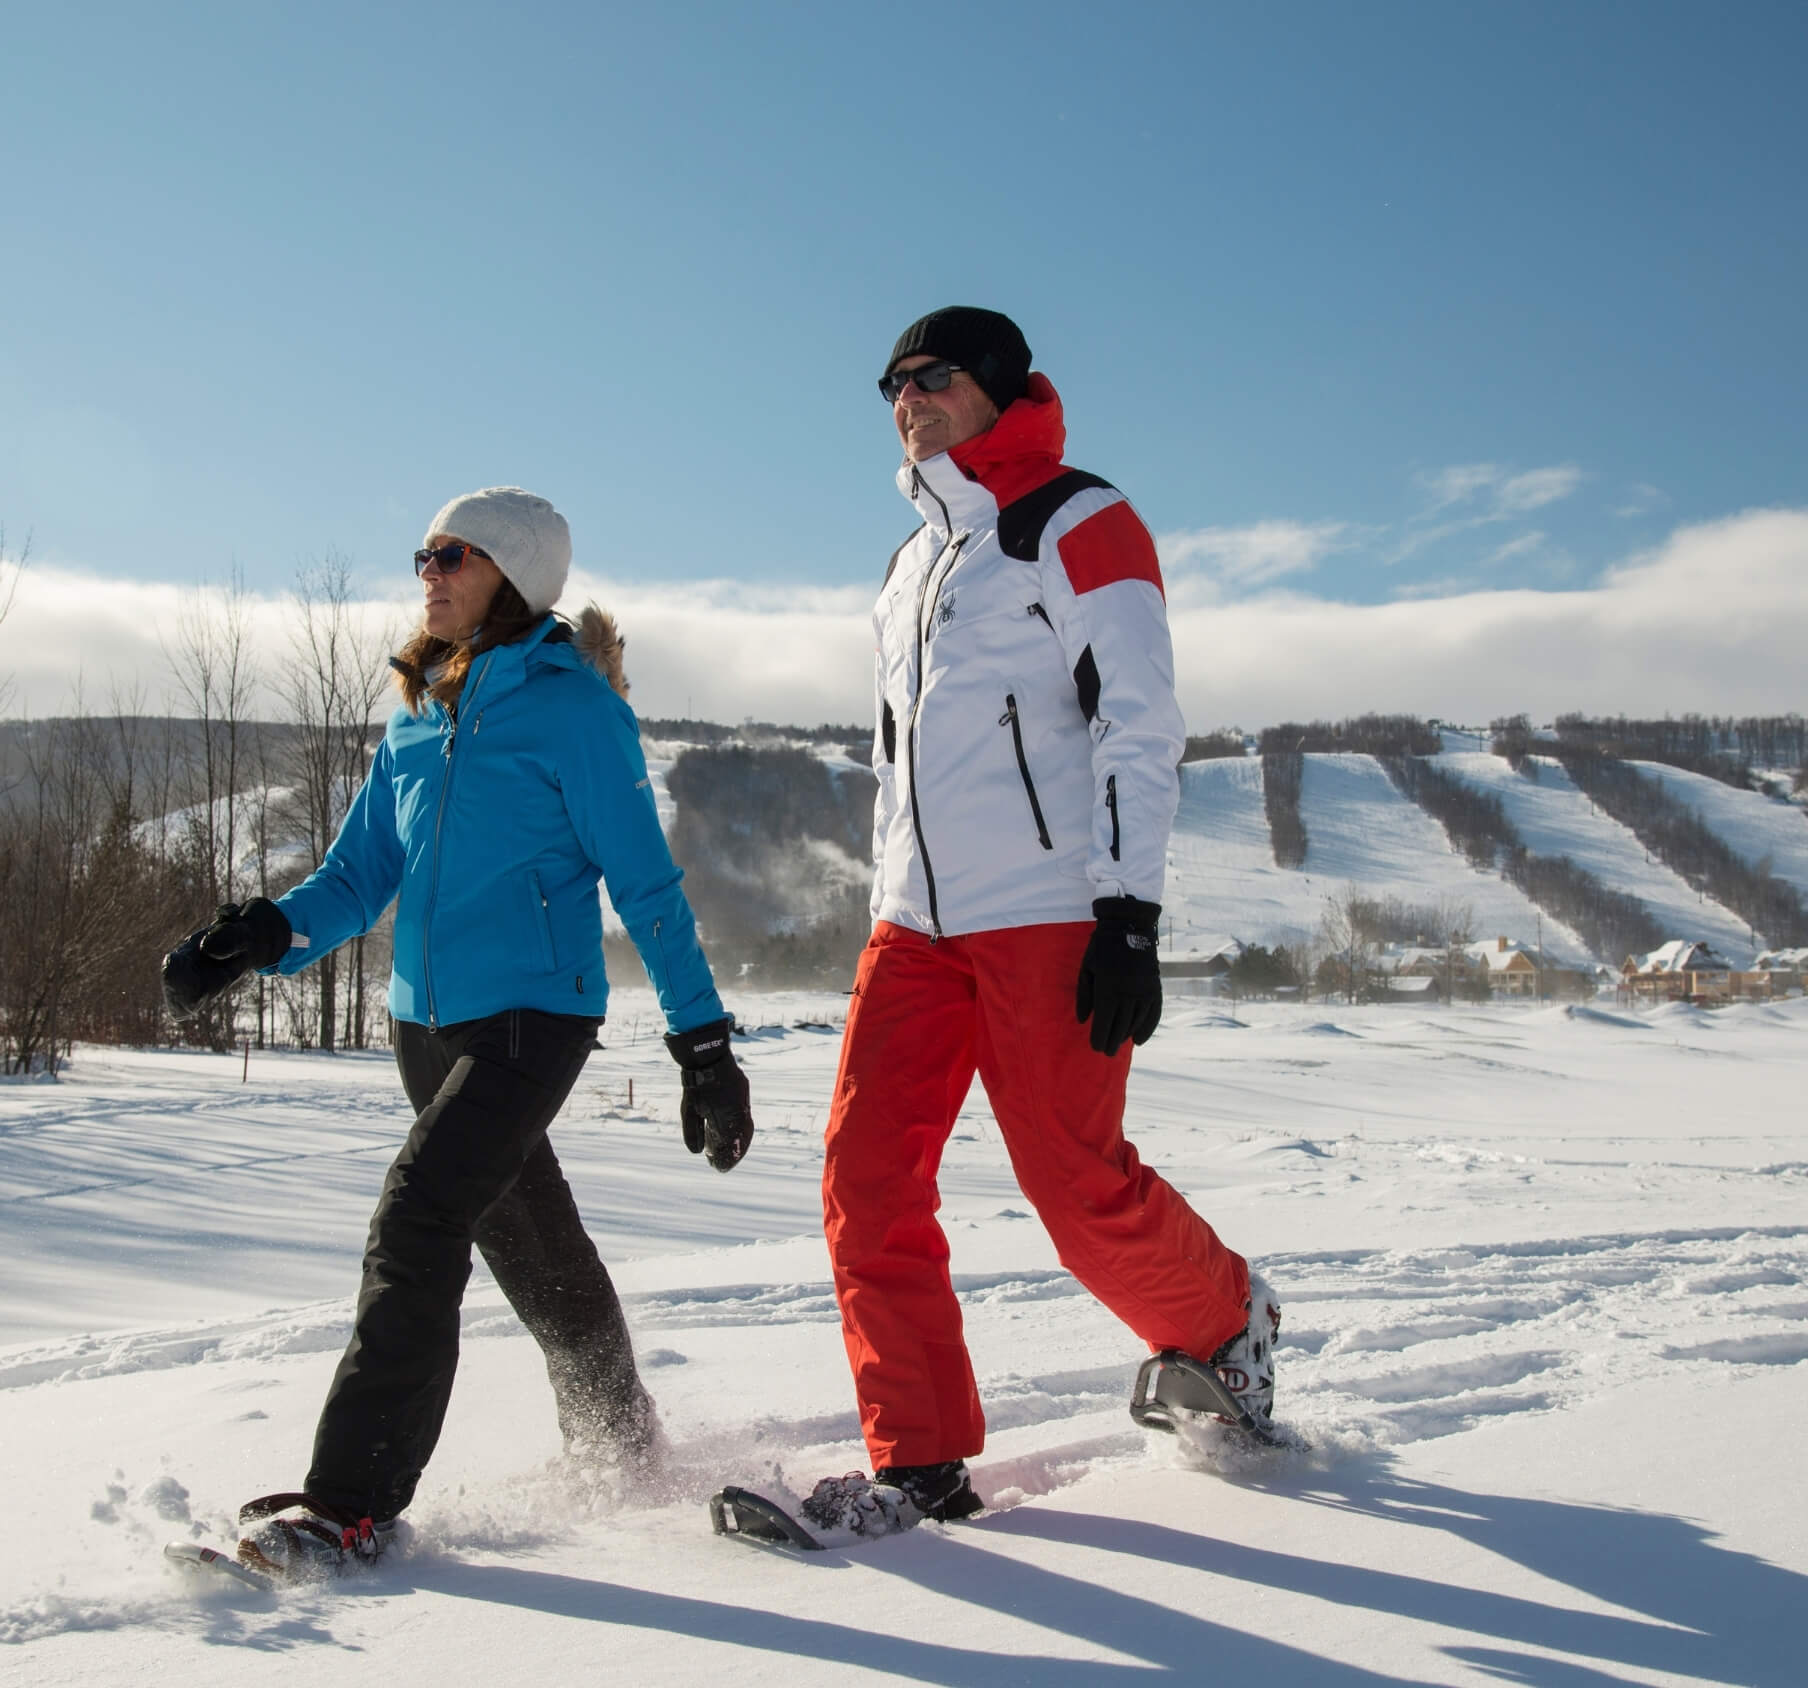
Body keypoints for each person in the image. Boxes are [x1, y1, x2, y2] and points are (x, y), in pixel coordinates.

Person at [161, 486, 753, 1576]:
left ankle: (353, 1507)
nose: (427, 571)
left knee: (416, 1218)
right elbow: (359, 874)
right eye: (424, 554)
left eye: (453, 555)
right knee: (532, 1246)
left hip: (534, 1014)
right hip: (421, 1024)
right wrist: (263, 935)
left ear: (514, 576)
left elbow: (648, 888)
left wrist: (702, 1042)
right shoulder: (414, 707)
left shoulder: (575, 709)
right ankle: (622, 1445)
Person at [805, 309, 1279, 1534]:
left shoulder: (1079, 519)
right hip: (911, 924)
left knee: (1072, 1183)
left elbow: (1138, 719)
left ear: (1000, 387)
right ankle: (917, 1460)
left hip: (1048, 912)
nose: (904, 396)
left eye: (931, 375)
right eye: (889, 382)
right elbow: (897, 756)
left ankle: (1221, 1320)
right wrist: (882, 892)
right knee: (867, 1182)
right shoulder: (911, 563)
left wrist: (1126, 909)